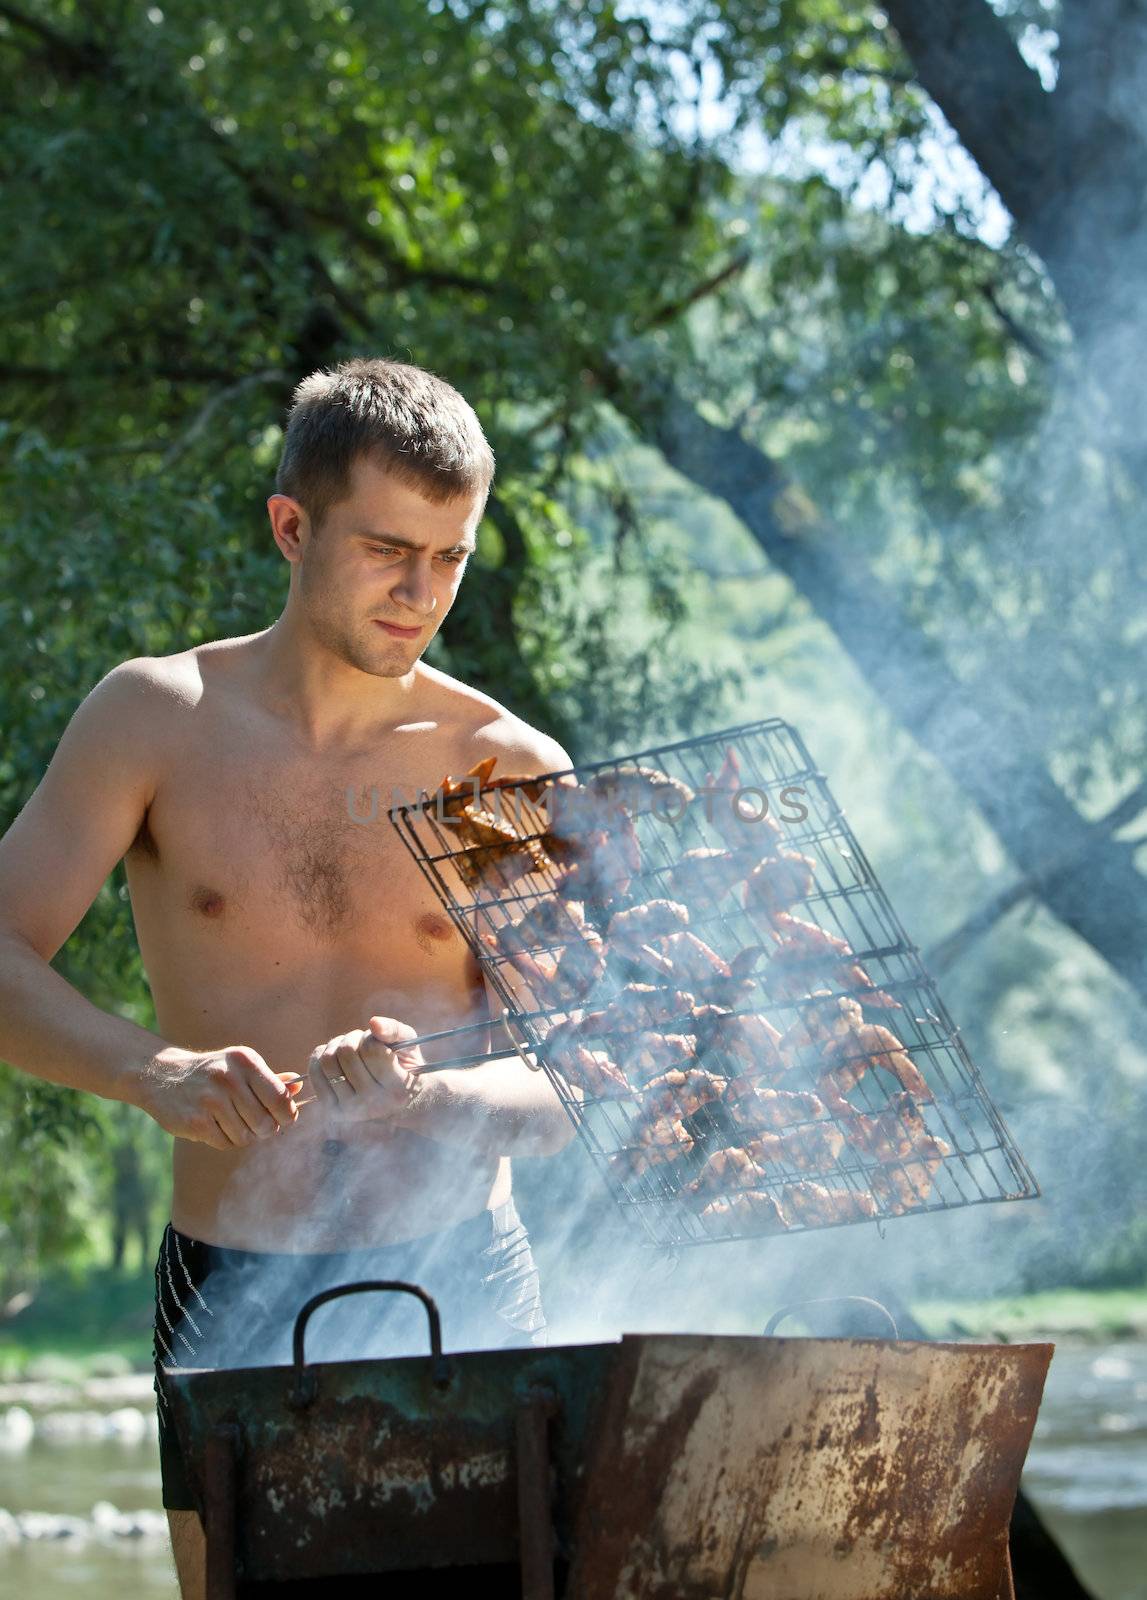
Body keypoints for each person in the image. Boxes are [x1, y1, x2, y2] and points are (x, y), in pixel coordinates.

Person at [0, 356, 577, 1597]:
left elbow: (589, 1067)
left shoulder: (496, 767)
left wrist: (454, 1099)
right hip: (232, 1279)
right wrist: (155, 1072)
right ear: (290, 524)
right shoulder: (158, 718)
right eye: (387, 550)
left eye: (451, 558)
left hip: (459, 1272)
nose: (420, 593)